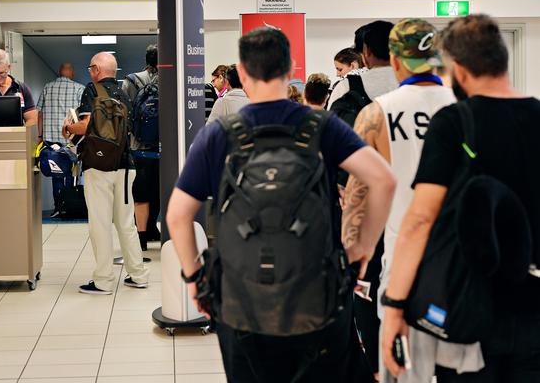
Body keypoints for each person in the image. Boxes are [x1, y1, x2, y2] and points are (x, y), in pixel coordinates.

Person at [166, 27, 396, 382]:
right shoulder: (322, 126)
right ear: (290, 68)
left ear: (241, 73)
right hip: (317, 296)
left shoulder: (220, 133)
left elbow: (178, 215)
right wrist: (360, 249)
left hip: (241, 302)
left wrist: (194, 277)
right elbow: (383, 180)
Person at [381, 14, 540, 382]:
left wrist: (394, 308)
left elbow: (420, 220)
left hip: (473, 308)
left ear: (459, 69)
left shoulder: (455, 122)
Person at [342, 19, 457, 383]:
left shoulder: (376, 115)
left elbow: (356, 200)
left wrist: (353, 259)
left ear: (394, 62)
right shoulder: (466, 107)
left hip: (402, 267)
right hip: (463, 265)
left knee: (403, 369)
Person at [329, 20, 397, 377]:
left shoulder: (347, 88)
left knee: (365, 293)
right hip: (415, 210)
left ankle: (372, 366)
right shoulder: (418, 90)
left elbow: (330, 149)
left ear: (364, 53)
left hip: (364, 212)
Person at [62, 52, 149, 294]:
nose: (90, 72)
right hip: (125, 166)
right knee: (126, 223)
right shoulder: (124, 95)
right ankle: (138, 275)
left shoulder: (92, 90)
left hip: (99, 166)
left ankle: (103, 280)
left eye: (91, 68)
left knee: (100, 223)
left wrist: (68, 127)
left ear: (96, 70)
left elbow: (87, 125)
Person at [122, 44, 161, 250]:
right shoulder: (171, 79)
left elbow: (124, 112)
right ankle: (154, 227)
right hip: (163, 147)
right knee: (159, 190)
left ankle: (141, 237)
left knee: (140, 192)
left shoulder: (131, 80)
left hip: (138, 147)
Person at [37, 63, 85, 217]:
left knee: (56, 173)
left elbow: (39, 113)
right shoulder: (79, 88)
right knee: (72, 174)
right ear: (72, 73)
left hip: (51, 141)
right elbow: (82, 117)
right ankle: (71, 205)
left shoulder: (47, 87)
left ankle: (59, 207)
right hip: (71, 140)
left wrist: (40, 136)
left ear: (59, 73)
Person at [328, 21, 398, 111]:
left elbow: (331, 122)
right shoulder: (412, 85)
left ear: (366, 52)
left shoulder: (346, 86)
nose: (337, 74)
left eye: (339, 69)